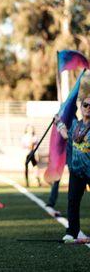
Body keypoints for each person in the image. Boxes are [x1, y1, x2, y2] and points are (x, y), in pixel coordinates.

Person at [55, 97, 90, 241]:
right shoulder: (76, 125)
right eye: (86, 105)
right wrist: (58, 123)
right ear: (81, 108)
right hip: (76, 171)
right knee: (73, 202)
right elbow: (66, 136)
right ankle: (72, 231)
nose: (88, 107)